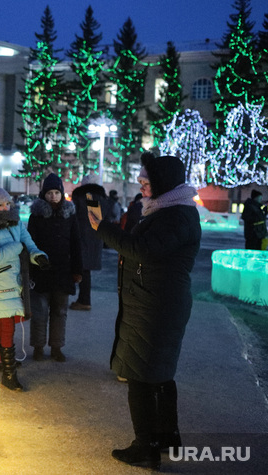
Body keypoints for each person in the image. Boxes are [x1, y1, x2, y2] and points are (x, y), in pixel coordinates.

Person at [88, 152, 201, 470]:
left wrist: (102, 228)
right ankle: (166, 438)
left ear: (163, 183)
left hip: (155, 306)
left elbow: (143, 250)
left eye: (146, 180)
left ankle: (146, 447)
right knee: (159, 375)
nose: (141, 184)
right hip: (154, 302)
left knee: (140, 376)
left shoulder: (176, 216)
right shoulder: (168, 210)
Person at [0, 185, 48, 391]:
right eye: (0, 205)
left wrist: (39, 256)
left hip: (16, 284)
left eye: (7, 203)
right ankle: (9, 375)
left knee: (0, 327)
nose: (6, 207)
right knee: (7, 327)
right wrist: (18, 247)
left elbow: (29, 244)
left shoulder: (16, 224)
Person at [27, 174, 82, 362]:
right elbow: (30, 242)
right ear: (44, 194)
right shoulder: (36, 216)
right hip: (41, 272)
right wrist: (30, 268)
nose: (53, 196)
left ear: (62, 193)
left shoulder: (69, 215)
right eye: (49, 192)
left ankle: (57, 346)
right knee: (40, 312)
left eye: (56, 192)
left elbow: (76, 243)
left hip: (63, 272)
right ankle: (38, 347)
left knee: (60, 311)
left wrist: (77, 270)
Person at [69, 174, 108, 311]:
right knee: (85, 270)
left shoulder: (88, 196)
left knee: (83, 269)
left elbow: (88, 220)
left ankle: (84, 300)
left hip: (83, 238)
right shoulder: (100, 197)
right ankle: (83, 299)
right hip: (94, 239)